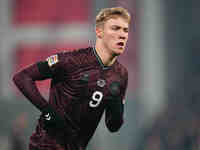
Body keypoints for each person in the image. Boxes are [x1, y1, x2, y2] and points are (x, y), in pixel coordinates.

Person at [13, 7, 131, 150]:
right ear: (99, 32)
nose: (122, 35)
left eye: (125, 30)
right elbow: (22, 77)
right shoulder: (72, 61)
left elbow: (112, 126)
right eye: (115, 28)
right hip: (45, 146)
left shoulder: (121, 75)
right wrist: (48, 111)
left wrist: (116, 107)